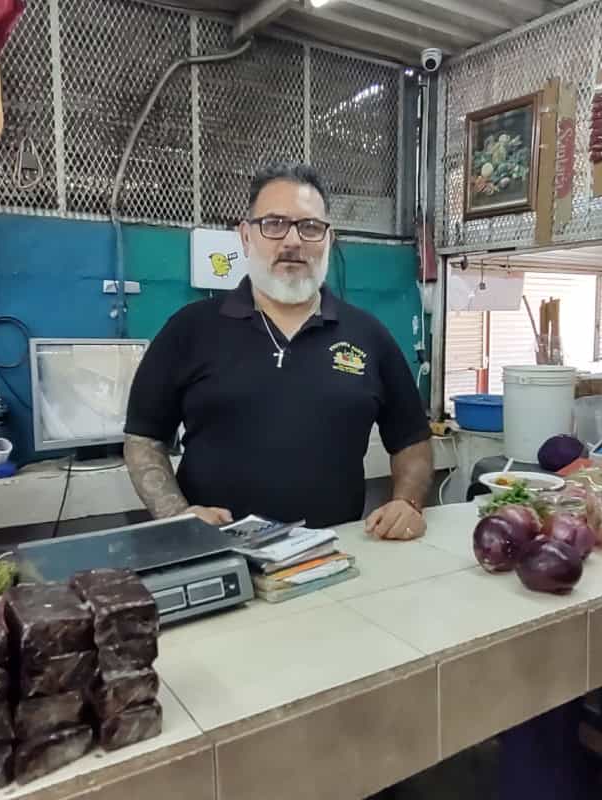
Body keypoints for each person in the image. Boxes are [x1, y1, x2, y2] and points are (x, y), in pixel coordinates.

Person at [123, 161, 433, 537]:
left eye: (310, 227)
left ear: (328, 239)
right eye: (273, 224)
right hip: (220, 556)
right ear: (245, 236)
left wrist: (408, 501)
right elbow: (143, 437)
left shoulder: (369, 335)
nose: (292, 241)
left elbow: (412, 440)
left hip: (335, 557)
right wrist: (177, 515)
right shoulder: (189, 329)